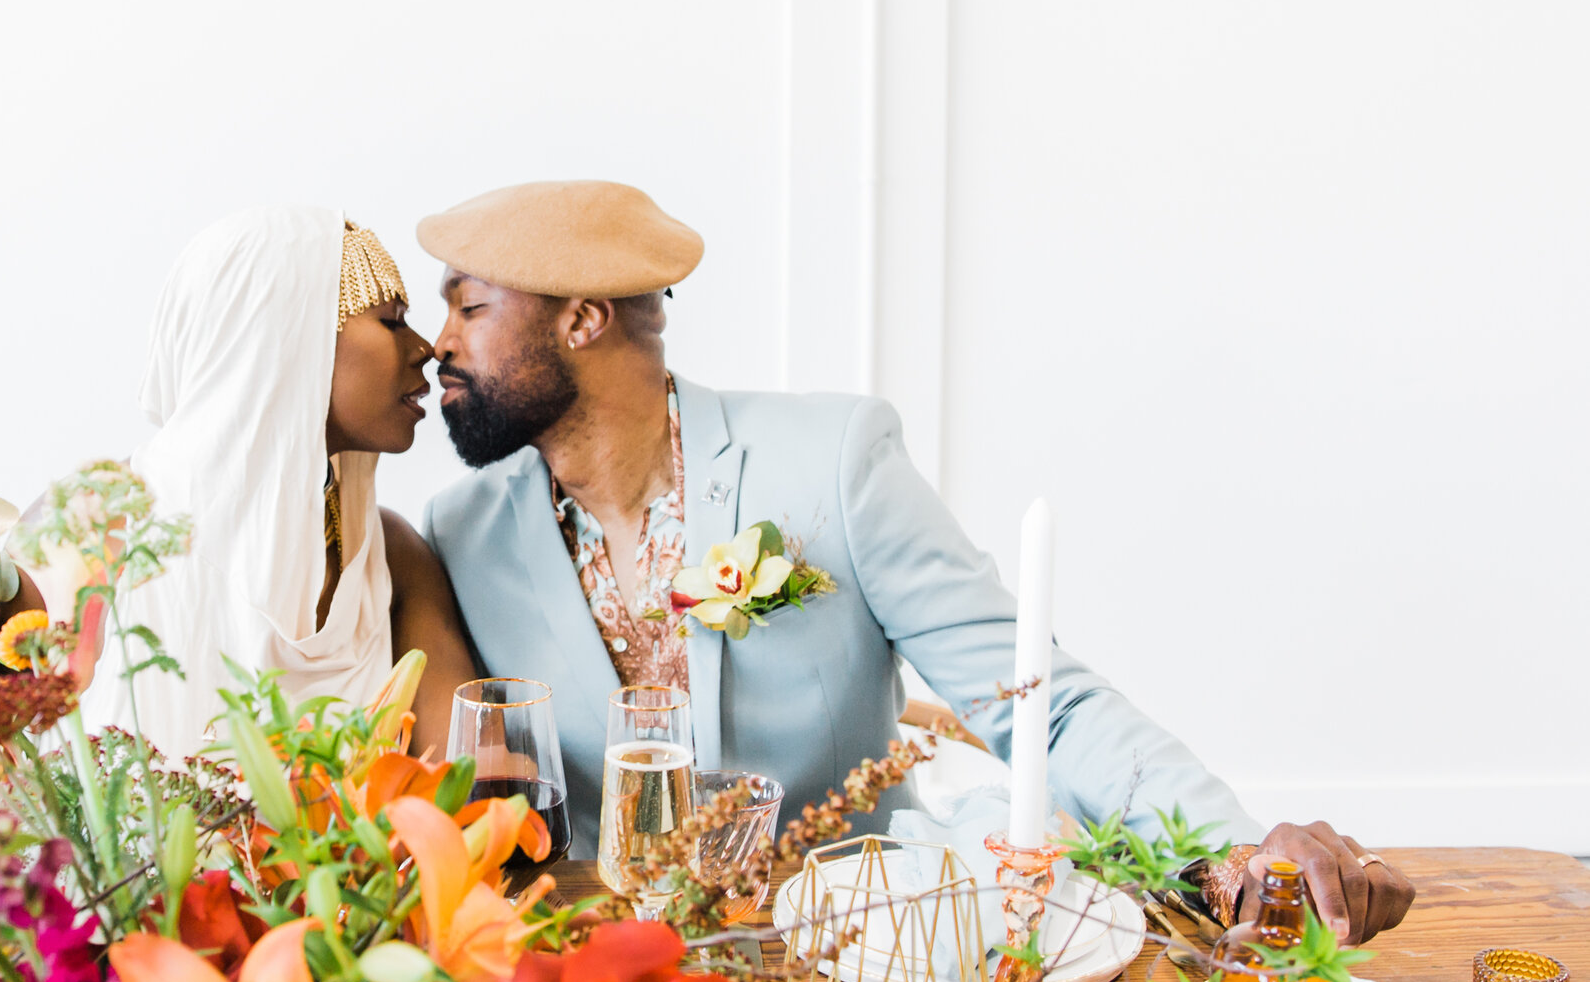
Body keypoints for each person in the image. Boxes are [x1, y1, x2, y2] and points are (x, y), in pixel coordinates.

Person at [415, 180, 1415, 943]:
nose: (437, 340)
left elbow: (1035, 699)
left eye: (467, 306)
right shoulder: (462, 531)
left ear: (582, 316)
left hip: (863, 965)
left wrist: (1229, 847)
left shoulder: (831, 462)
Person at [83, 205, 480, 760]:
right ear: (284, 340)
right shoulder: (96, 530)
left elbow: (470, 787)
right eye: (391, 321)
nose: (425, 348)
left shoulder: (393, 557)